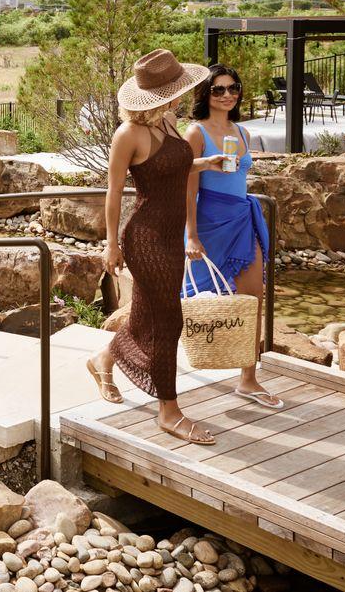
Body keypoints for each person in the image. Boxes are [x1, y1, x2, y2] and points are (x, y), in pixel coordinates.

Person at [85, 49, 228, 445]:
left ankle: (104, 359)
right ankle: (169, 410)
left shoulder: (167, 123)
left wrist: (205, 163)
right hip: (145, 238)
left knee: (148, 315)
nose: (181, 97)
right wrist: (110, 245)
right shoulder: (127, 134)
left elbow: (171, 168)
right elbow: (114, 193)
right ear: (158, 95)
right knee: (168, 320)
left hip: (171, 235)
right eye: (175, 91)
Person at [184, 65, 283, 409]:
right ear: (205, 94)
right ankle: (112, 357)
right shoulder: (195, 133)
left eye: (233, 88)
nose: (227, 95)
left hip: (241, 218)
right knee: (181, 302)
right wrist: (191, 235)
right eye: (218, 89)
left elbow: (237, 175)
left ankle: (248, 379)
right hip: (209, 223)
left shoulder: (242, 131)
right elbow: (188, 185)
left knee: (253, 299)